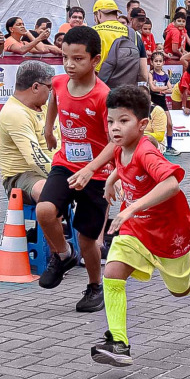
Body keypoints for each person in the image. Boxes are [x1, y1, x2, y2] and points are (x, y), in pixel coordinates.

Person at [67, 85, 190, 367]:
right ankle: (119, 341)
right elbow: (120, 160)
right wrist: (112, 180)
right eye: (111, 121)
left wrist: (133, 208)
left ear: (142, 124)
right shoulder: (121, 144)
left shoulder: (146, 151)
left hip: (168, 231)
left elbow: (172, 183)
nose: (115, 128)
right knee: (113, 271)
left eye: (123, 121)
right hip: (136, 228)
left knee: (181, 289)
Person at [39, 26, 112, 312]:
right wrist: (48, 129)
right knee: (45, 211)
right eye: (65, 57)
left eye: (78, 59)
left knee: (87, 239)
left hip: (97, 174)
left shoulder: (104, 96)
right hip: (65, 164)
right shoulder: (59, 82)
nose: (69, 64)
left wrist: (92, 170)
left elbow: (114, 143)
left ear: (95, 60)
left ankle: (95, 286)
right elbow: (54, 99)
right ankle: (63, 253)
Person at [0, 60, 55, 204]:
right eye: (49, 87)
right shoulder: (14, 112)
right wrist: (65, 179)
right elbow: (35, 159)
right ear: (35, 86)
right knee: (49, 191)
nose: (51, 92)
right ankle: (55, 225)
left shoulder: (46, 106)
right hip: (21, 175)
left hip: (53, 169)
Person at [147, 51, 177, 155]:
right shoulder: (150, 74)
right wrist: (163, 89)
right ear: (152, 62)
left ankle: (169, 147)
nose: (158, 63)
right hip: (153, 103)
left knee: (169, 124)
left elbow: (171, 89)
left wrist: (160, 89)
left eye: (160, 61)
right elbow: (153, 88)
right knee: (151, 126)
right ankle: (151, 146)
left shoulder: (165, 75)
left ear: (164, 62)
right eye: (156, 61)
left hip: (162, 102)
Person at [91, 0, 128, 72]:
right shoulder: (131, 32)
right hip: (125, 78)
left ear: (98, 13)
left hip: (99, 78)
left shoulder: (93, 31)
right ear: (116, 14)